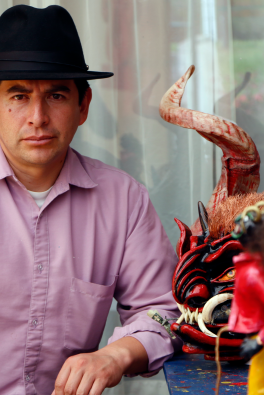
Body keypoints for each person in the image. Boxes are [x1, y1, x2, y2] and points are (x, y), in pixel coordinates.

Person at [0, 4, 181, 395]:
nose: (37, 117)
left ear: (83, 106)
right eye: (18, 95)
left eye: (57, 95)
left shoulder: (123, 200)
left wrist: (113, 355)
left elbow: (164, 312)